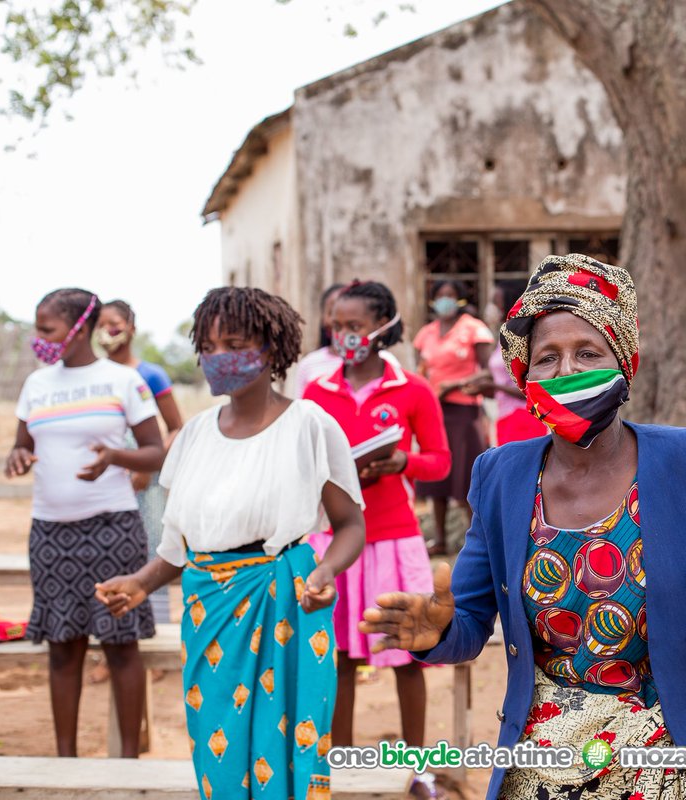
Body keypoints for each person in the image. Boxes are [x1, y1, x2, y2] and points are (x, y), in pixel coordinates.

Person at [361, 254, 686, 800]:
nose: (567, 371)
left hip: (673, 754)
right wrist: (436, 634)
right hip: (543, 763)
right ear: (524, 374)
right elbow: (469, 622)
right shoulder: (501, 474)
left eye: (587, 352)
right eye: (547, 357)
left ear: (624, 361)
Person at [95, 286, 367, 800]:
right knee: (216, 751)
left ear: (271, 347)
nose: (219, 358)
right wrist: (139, 582)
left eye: (235, 343)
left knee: (286, 751)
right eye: (210, 346)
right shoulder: (194, 436)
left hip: (286, 600)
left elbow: (350, 524)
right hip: (208, 612)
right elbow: (176, 545)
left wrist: (325, 572)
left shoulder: (309, 426)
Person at [302, 281, 450, 799]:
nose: (344, 335)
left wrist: (402, 462)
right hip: (334, 543)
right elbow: (301, 462)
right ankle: (339, 766)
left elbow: (441, 460)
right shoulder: (316, 392)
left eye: (355, 326)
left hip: (395, 540)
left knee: (407, 655)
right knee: (338, 657)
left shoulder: (412, 389)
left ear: (385, 326)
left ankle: (418, 769)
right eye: (337, 326)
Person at [5, 288, 165, 757]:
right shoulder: (36, 384)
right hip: (50, 531)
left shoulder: (122, 381)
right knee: (62, 645)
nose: (39, 338)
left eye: (46, 329)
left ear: (80, 328)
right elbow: (22, 444)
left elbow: (156, 450)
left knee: (120, 644)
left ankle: (128, 763)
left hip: (113, 528)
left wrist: (115, 456)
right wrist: (17, 456)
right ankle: (66, 760)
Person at [97, 300, 185, 624]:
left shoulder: (150, 374)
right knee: (109, 553)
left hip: (145, 482)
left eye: (115, 324)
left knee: (148, 547)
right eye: (101, 325)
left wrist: (147, 465)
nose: (108, 332)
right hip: (105, 478)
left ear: (132, 327)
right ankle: (114, 630)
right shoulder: (98, 376)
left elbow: (176, 426)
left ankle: (152, 627)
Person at [412, 280, 494, 554]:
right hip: (434, 411)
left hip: (465, 411)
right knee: (437, 477)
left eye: (450, 295)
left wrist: (455, 385)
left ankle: (476, 542)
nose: (444, 300)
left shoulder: (473, 329)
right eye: (439, 295)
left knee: (466, 476)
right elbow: (420, 369)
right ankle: (441, 540)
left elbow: (487, 372)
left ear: (459, 299)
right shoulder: (426, 333)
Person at [467, 283, 548, 446]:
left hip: (522, 415)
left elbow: (529, 389)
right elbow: (496, 373)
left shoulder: (521, 340)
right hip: (504, 414)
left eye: (496, 302)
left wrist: (494, 386)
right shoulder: (504, 336)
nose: (491, 308)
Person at [294, 283, 347, 397]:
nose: (340, 320)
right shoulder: (308, 364)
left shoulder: (384, 361)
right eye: (332, 312)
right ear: (323, 318)